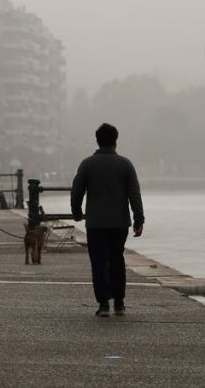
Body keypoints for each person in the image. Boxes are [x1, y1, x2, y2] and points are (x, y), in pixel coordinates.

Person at [70, 123, 144, 317]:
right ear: (115, 141)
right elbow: (134, 194)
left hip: (96, 223)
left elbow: (77, 189)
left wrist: (76, 211)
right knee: (117, 260)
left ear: (97, 140)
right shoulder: (126, 164)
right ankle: (119, 302)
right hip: (120, 223)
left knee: (99, 262)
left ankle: (103, 304)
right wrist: (139, 219)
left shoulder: (87, 164)